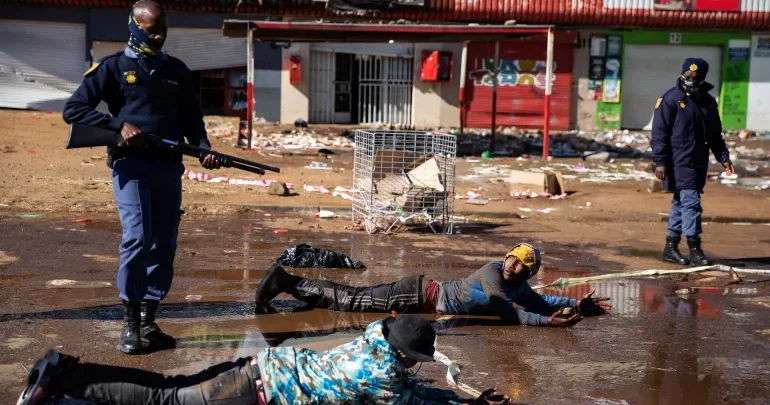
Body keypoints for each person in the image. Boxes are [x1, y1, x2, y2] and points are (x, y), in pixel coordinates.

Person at [62, 0, 223, 354]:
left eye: (163, 30)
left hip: (168, 168)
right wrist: (118, 125)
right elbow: (73, 109)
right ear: (134, 27)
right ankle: (131, 324)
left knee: (164, 244)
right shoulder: (113, 67)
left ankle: (149, 321)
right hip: (130, 167)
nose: (160, 36)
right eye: (152, 31)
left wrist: (204, 148)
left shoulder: (177, 70)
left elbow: (193, 121)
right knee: (137, 238)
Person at [17, 315, 510, 405]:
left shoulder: (372, 339)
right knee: (164, 400)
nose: (415, 366)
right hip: (254, 391)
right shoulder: (380, 373)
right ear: (403, 355)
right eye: (414, 359)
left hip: (262, 368)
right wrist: (464, 404)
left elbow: (409, 388)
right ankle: (61, 381)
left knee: (167, 386)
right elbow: (410, 400)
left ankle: (69, 373)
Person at [255, 243, 612, 327]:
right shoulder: (493, 275)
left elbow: (537, 302)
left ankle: (290, 284)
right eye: (511, 258)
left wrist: (575, 305)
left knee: (353, 300)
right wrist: (546, 323)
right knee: (351, 300)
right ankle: (285, 280)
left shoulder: (517, 286)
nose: (511, 264)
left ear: (527, 274)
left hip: (423, 299)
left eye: (520, 264)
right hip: (418, 293)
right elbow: (509, 313)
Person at [651, 58, 735, 267]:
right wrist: (660, 161)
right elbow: (659, 134)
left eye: (695, 77)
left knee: (680, 203)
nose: (690, 79)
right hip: (677, 161)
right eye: (687, 75)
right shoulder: (670, 99)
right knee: (691, 203)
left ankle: (671, 247)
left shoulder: (708, 102)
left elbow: (714, 135)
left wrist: (723, 157)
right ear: (682, 73)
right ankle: (695, 249)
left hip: (698, 161)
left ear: (703, 78)